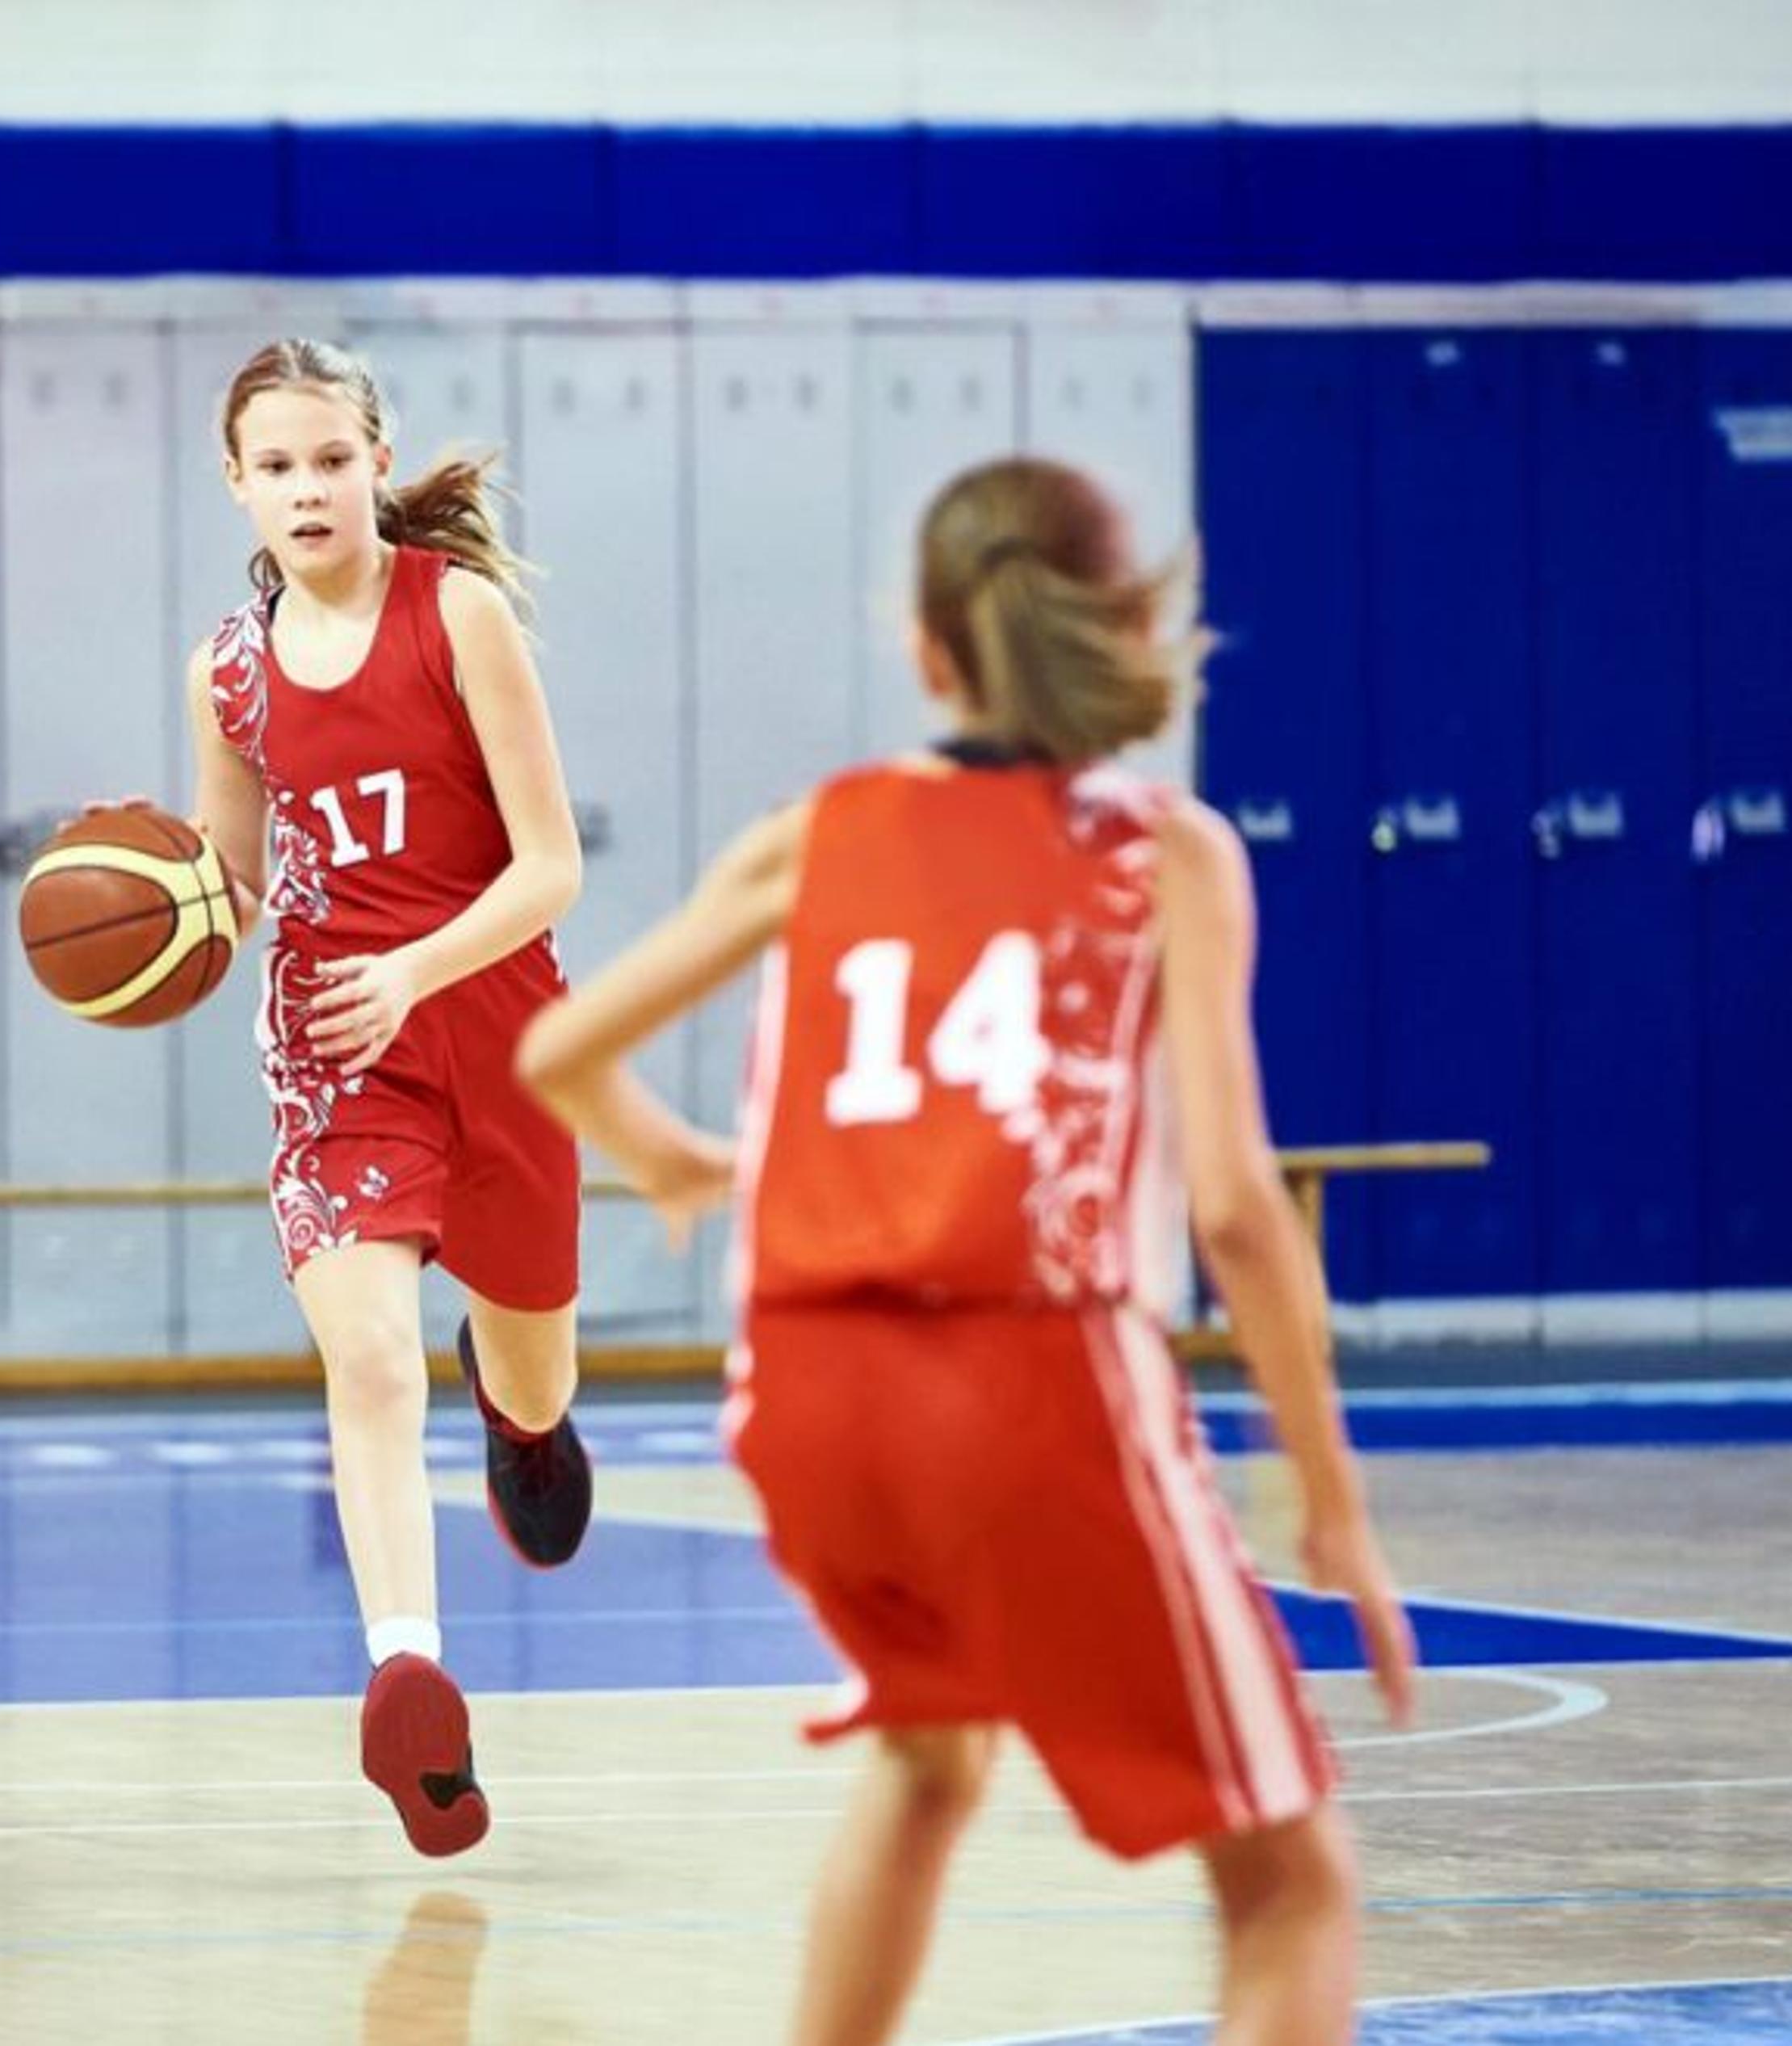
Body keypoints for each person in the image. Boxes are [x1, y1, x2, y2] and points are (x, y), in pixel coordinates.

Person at [517, 456, 1419, 2042]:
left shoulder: (821, 828)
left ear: (929, 651)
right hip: (1026, 1377)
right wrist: (1335, 1507)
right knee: (1291, 1880)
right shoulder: (1166, 850)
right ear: (1128, 625)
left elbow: (557, 1051)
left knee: (928, 1756)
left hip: (805, 1395)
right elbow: (1233, 1209)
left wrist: (670, 1157)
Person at [179, 338, 593, 1856]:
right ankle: (407, 1673)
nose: (308, 489)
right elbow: (232, 883)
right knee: (366, 1357)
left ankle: (522, 1409)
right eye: (277, 466)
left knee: (532, 1374)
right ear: (237, 483)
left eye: (332, 460)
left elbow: (551, 865)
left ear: (376, 465)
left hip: (496, 1024)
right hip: (338, 1048)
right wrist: (157, 915)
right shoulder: (227, 671)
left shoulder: (457, 614)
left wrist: (419, 968)